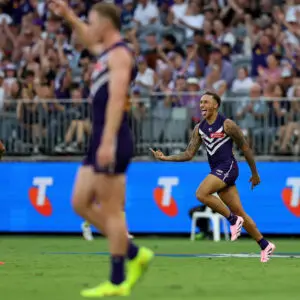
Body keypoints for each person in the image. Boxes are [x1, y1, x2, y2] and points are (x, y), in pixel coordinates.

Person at [49, 1, 153, 297]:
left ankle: (118, 280)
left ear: (106, 24)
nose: (89, 26)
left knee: (110, 210)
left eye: (92, 21)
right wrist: (68, 15)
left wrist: (107, 141)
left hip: (113, 136)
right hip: (99, 138)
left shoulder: (120, 55)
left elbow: (117, 99)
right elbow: (86, 37)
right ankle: (135, 253)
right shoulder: (106, 53)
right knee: (80, 202)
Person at [150, 91, 276, 263]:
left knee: (201, 194)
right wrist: (165, 158)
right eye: (201, 102)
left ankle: (233, 220)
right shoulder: (199, 129)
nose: (202, 105)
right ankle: (264, 244)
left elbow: (245, 148)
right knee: (240, 212)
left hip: (228, 168)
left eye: (206, 102)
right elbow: (188, 154)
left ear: (216, 105)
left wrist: (254, 173)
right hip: (218, 170)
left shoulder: (227, 124)